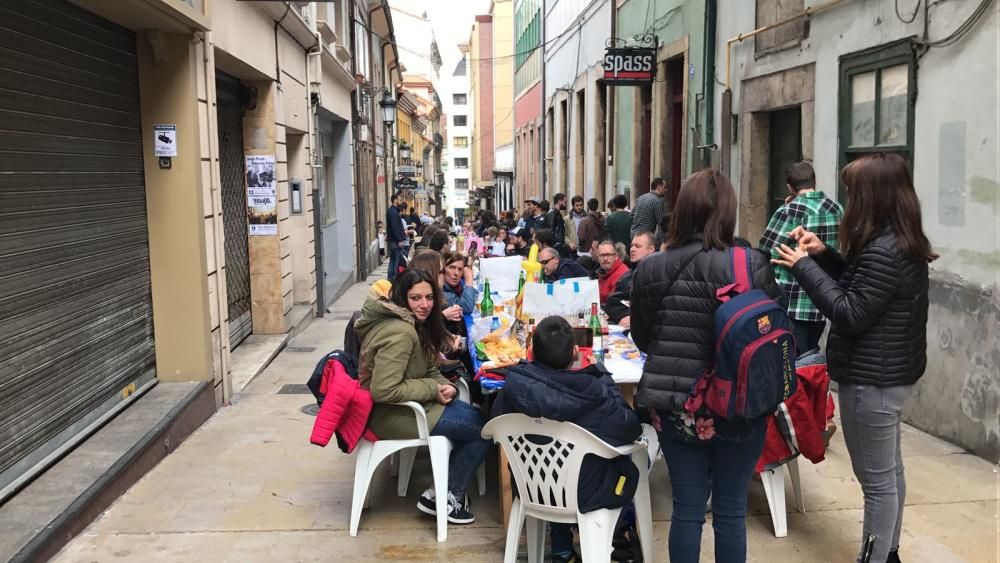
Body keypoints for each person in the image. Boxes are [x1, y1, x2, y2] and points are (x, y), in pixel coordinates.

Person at [772, 153, 935, 563]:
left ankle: (875, 556)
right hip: (889, 374)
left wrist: (805, 268)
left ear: (873, 196)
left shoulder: (884, 250)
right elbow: (862, 286)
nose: (849, 199)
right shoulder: (898, 241)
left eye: (853, 191)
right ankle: (889, 551)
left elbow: (849, 311)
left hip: (872, 381)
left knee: (876, 482)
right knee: (889, 473)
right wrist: (825, 254)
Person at [629, 169, 781, 563]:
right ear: (728, 212)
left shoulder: (650, 269)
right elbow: (771, 332)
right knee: (731, 511)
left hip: (677, 403)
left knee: (688, 510)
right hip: (739, 404)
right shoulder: (752, 264)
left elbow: (645, 339)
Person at [491, 316, 643, 563]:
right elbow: (630, 428)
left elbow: (496, 424)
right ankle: (612, 537)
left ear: (530, 352)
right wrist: (602, 375)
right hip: (586, 493)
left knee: (557, 461)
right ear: (575, 353)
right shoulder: (593, 392)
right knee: (635, 461)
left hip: (533, 485)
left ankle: (562, 550)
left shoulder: (514, 387)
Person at [354, 269, 491, 523]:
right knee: (485, 429)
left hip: (411, 407)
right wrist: (431, 389)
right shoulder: (399, 332)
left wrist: (442, 384)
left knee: (479, 419)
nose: (425, 304)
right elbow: (383, 389)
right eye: (416, 298)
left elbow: (427, 366)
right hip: (394, 415)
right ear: (401, 298)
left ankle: (442, 491)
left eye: (429, 298)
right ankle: (446, 496)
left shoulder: (411, 324)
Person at [759, 161, 844, 354]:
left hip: (795, 302)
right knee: (811, 359)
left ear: (789, 186)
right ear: (814, 181)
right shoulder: (837, 208)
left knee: (792, 363)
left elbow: (766, 248)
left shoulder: (790, 210)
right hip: (825, 300)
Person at [605, 231, 657, 327]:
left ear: (651, 249)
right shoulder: (628, 274)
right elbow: (613, 300)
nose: (632, 249)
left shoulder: (656, 275)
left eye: (637, 246)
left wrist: (633, 317)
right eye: (632, 245)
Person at [594, 239, 628, 305]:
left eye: (608, 255)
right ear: (598, 258)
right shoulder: (603, 272)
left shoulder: (622, 274)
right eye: (602, 255)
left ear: (616, 256)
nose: (605, 259)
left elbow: (612, 303)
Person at [386, 193, 409, 281]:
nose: (400, 201)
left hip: (393, 240)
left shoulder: (393, 211)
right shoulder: (393, 212)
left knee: (393, 260)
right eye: (399, 200)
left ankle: (390, 278)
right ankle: (395, 279)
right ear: (395, 200)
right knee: (397, 260)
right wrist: (399, 240)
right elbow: (394, 227)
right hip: (395, 241)